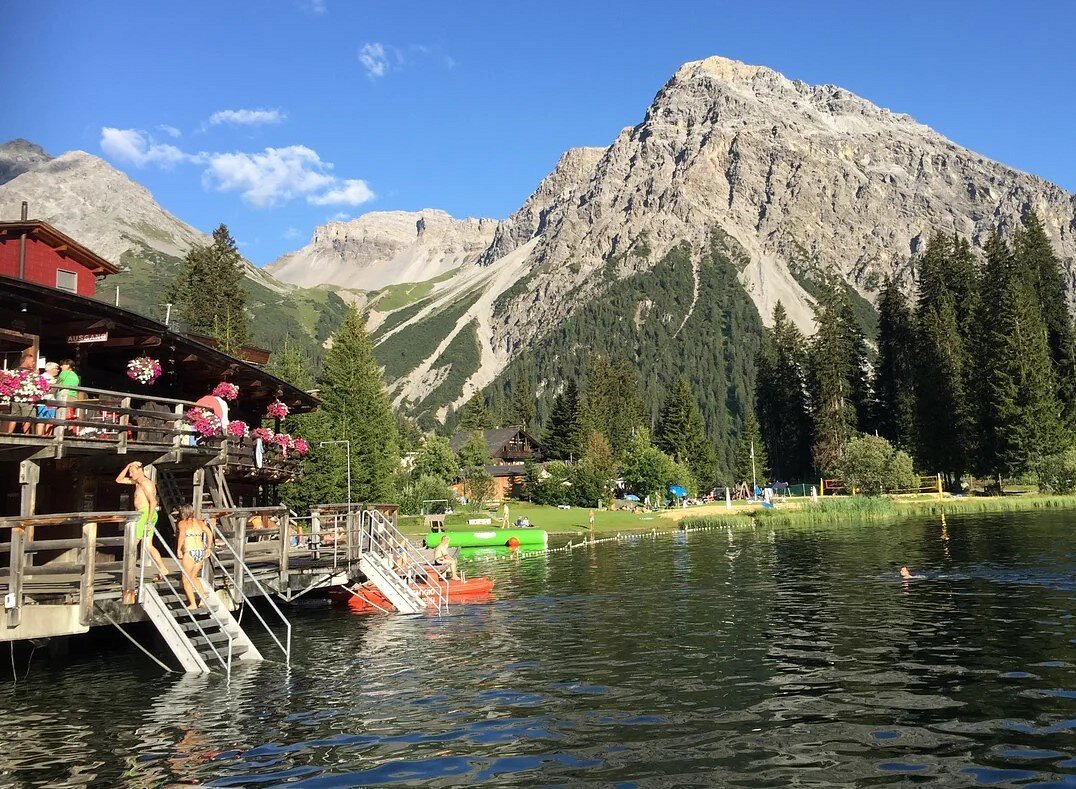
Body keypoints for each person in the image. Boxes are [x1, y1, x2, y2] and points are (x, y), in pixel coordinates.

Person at [116, 461, 168, 579]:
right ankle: (163, 568)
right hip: (144, 513)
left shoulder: (146, 483)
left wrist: (148, 521)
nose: (130, 474)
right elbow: (119, 480)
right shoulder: (137, 482)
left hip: (145, 514)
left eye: (132, 472)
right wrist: (128, 465)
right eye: (130, 472)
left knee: (133, 542)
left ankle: (128, 570)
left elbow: (153, 501)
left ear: (140, 471)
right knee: (148, 545)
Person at [176, 503, 213, 609]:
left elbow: (182, 534)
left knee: (186, 579)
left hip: (190, 552)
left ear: (183, 513)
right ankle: (203, 596)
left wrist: (178, 549)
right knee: (193, 577)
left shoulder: (182, 523)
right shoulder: (200, 522)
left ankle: (192, 604)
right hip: (200, 552)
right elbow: (209, 533)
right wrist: (208, 547)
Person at [5, 350, 37, 434]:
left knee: (14, 417)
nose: (33, 363)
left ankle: (9, 434)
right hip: (26, 398)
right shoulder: (31, 372)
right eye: (32, 361)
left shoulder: (15, 371)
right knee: (27, 418)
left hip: (15, 398)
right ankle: (26, 436)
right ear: (26, 360)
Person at [34, 362, 60, 436]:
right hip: (43, 401)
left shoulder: (55, 379)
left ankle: (48, 437)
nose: (58, 370)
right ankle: (39, 437)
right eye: (56, 368)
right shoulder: (42, 377)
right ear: (51, 369)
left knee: (51, 421)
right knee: (41, 420)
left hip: (52, 401)